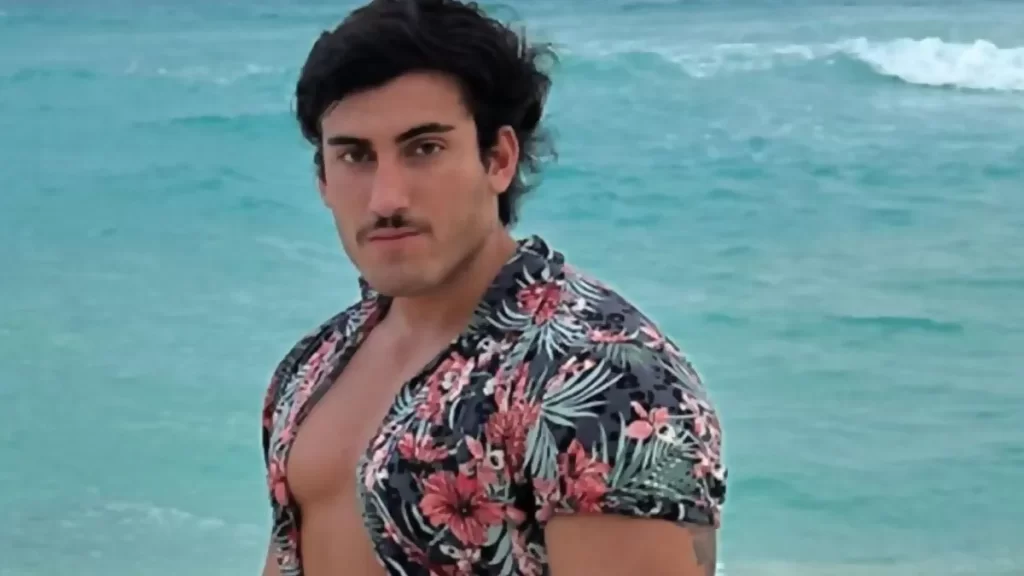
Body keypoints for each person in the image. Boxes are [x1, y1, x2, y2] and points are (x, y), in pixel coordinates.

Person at [260, 0, 728, 574]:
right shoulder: (313, 365)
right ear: (323, 181)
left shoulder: (602, 378)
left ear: (499, 159)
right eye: (355, 155)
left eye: (424, 149)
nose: (386, 198)